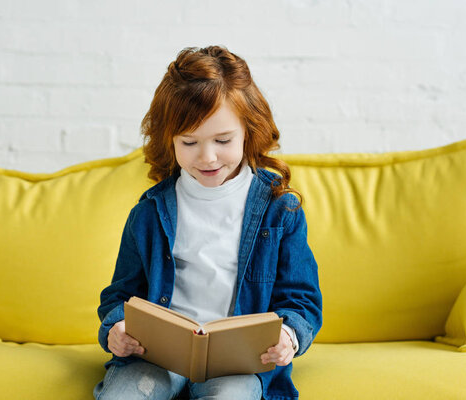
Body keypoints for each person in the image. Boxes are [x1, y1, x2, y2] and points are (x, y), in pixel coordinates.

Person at [94, 45, 322, 400]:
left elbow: (302, 300)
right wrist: (115, 330)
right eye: (190, 142)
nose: (208, 156)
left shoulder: (280, 211)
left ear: (249, 130)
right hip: (156, 359)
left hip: (238, 364)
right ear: (168, 140)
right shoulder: (149, 213)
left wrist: (289, 336)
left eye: (223, 140)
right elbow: (119, 296)